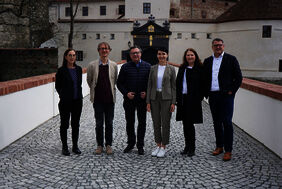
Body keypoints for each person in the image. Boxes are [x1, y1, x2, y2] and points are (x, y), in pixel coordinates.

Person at [203, 38, 242, 161]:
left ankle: (228, 150)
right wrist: (206, 93)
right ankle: (219, 146)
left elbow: (239, 77)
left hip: (226, 96)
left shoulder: (231, 59)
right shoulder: (208, 61)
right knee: (216, 122)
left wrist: (232, 91)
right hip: (213, 96)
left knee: (227, 122)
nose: (218, 47)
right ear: (212, 47)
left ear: (223, 46)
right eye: (215, 45)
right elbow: (204, 78)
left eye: (220, 45)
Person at [117, 46, 151, 155]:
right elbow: (119, 83)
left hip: (142, 100)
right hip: (129, 100)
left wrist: (146, 92)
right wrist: (126, 93)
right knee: (130, 122)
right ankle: (131, 143)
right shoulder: (125, 67)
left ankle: (140, 145)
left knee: (142, 123)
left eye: (137, 53)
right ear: (130, 55)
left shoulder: (148, 66)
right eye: (133, 53)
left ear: (141, 54)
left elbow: (151, 84)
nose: (135, 55)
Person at [87, 42, 118, 155]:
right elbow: (89, 80)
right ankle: (99, 145)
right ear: (98, 50)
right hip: (98, 99)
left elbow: (115, 80)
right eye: (102, 49)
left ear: (109, 50)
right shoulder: (92, 65)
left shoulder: (114, 65)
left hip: (110, 99)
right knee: (99, 123)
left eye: (106, 48)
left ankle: (108, 145)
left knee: (109, 123)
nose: (104, 51)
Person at [146, 47, 176, 158]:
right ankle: (158, 145)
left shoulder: (171, 69)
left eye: (163, 54)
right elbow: (149, 85)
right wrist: (148, 101)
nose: (161, 56)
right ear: (157, 55)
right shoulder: (153, 68)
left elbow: (174, 87)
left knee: (165, 123)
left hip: (166, 98)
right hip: (154, 97)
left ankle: (164, 146)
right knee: (156, 122)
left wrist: (173, 102)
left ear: (167, 55)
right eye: (159, 54)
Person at [176, 48, 204, 157]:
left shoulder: (199, 68)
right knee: (185, 124)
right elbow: (178, 83)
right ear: (185, 57)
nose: (190, 57)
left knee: (190, 124)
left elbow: (203, 84)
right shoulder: (182, 67)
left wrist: (199, 97)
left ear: (195, 56)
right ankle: (187, 146)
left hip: (193, 100)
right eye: (188, 55)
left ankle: (192, 147)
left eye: (192, 55)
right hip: (183, 99)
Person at [55, 49, 83, 156]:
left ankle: (75, 146)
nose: (72, 57)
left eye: (74, 55)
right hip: (65, 102)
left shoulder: (79, 69)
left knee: (76, 124)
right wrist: (63, 95)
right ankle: (65, 147)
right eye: (70, 55)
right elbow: (58, 86)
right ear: (66, 57)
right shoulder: (61, 70)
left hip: (77, 101)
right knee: (64, 124)